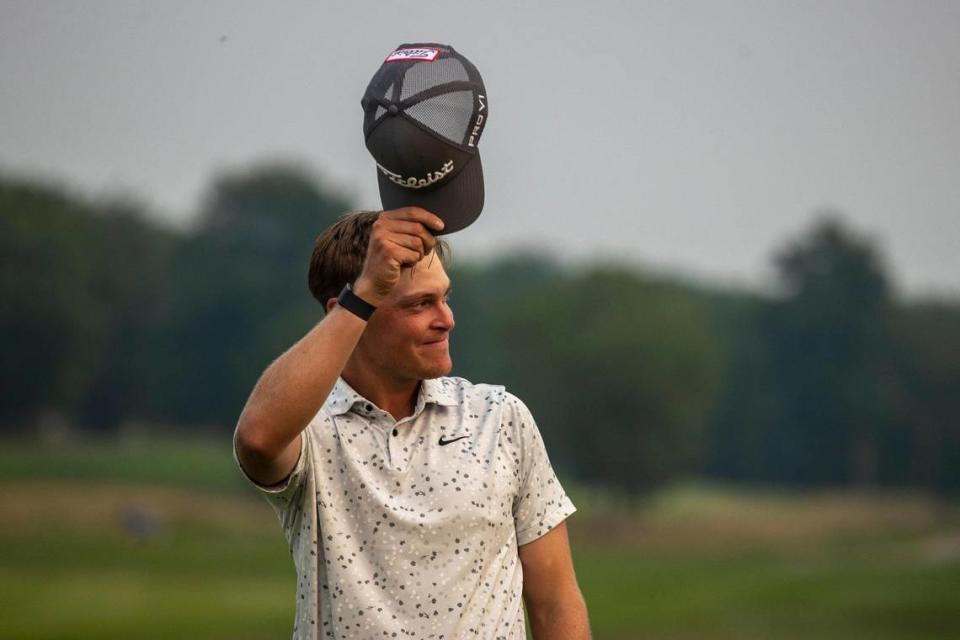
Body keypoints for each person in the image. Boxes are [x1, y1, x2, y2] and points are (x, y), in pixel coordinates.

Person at [233, 206, 590, 639]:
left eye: (445, 297)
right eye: (421, 304)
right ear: (346, 310)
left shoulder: (500, 416)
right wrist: (367, 290)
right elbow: (256, 439)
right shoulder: (309, 429)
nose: (446, 319)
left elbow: (555, 602)